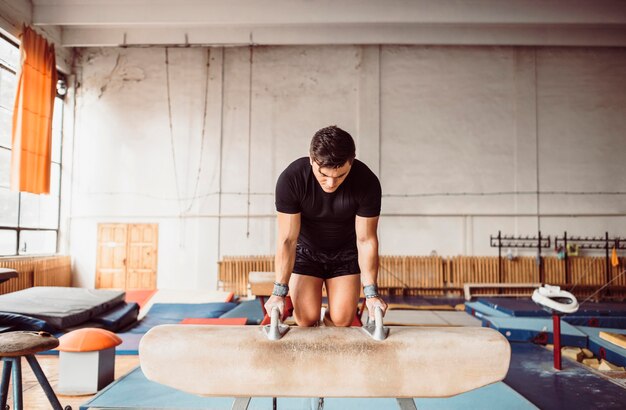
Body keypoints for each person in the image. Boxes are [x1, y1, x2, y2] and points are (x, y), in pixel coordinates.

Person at [264, 125, 387, 326]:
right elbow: (287, 240)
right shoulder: (292, 179)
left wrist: (371, 293)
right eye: (324, 174)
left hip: (345, 253)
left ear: (351, 162)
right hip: (306, 251)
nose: (331, 183)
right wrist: (279, 292)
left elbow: (366, 240)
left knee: (342, 320)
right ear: (311, 159)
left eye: (340, 175)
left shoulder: (367, 182)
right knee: (306, 319)